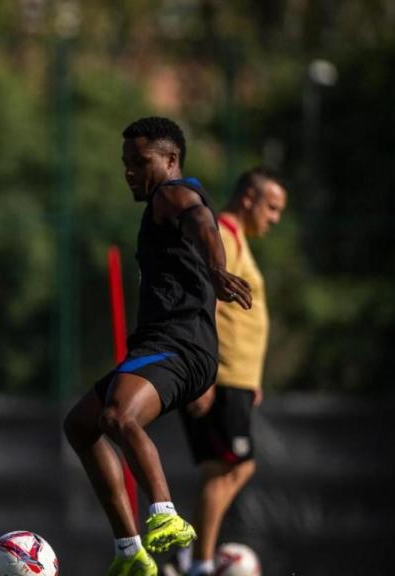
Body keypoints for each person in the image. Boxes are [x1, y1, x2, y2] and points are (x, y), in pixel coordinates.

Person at [62, 116, 252, 576]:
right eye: (125, 162)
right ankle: (130, 553)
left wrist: (217, 269)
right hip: (165, 345)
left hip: (178, 343)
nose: (129, 171)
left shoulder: (172, 194)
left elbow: (202, 222)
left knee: (118, 416)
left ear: (170, 159)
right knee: (81, 425)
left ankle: (165, 515)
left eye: (140, 161)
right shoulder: (162, 203)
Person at [168, 168, 287, 576]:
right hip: (221, 377)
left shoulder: (237, 240)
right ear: (249, 198)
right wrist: (204, 374)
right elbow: (208, 301)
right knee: (227, 468)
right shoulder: (224, 236)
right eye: (272, 208)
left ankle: (191, 558)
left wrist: (252, 380)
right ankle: (198, 563)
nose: (275, 218)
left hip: (237, 380)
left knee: (229, 468)